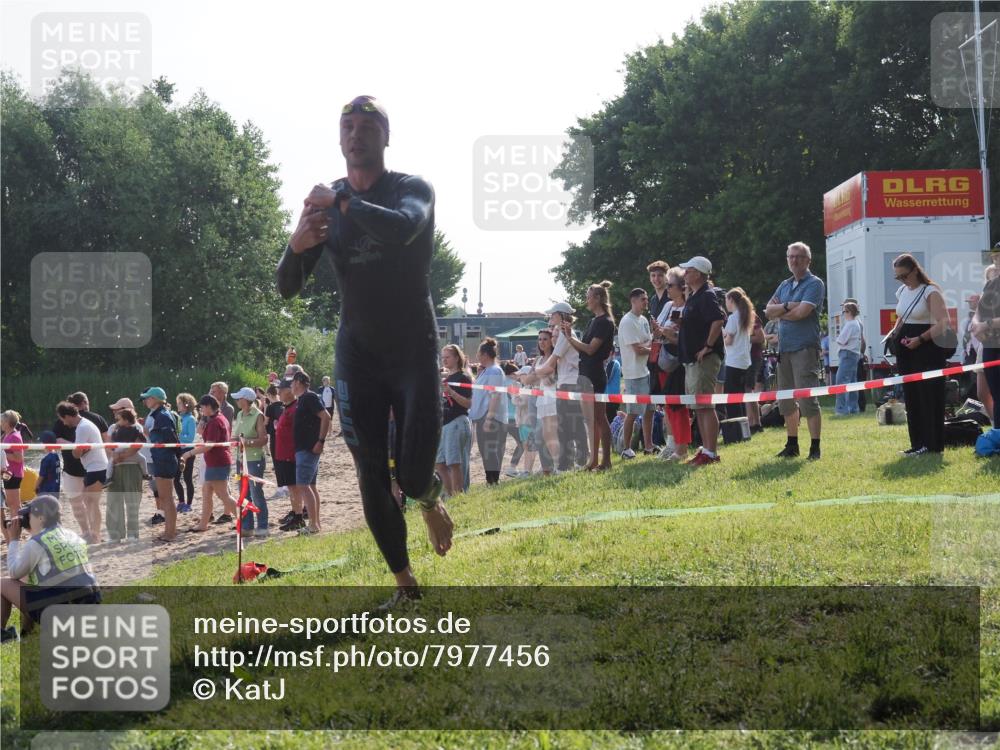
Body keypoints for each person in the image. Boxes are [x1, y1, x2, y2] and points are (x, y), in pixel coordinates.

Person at [276, 95, 452, 602]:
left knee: (412, 472)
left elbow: (402, 229)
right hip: (358, 354)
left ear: (386, 136)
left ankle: (429, 497)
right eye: (347, 126)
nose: (356, 134)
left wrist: (342, 204)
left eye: (367, 126)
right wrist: (295, 246)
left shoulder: (411, 189)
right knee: (370, 471)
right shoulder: (325, 204)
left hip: (413, 348)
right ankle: (406, 585)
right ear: (339, 138)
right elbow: (287, 286)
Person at [1, 495, 101, 642]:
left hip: (61, 615)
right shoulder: (72, 535)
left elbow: (13, 572)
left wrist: (14, 539)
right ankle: (26, 632)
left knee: (3, 584)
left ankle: (1, 634)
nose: (27, 520)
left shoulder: (38, 542)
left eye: (29, 516)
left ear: (41, 518)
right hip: (90, 607)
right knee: (28, 580)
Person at [883, 253, 952, 454]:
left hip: (928, 349)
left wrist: (920, 339)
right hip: (907, 349)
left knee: (928, 396)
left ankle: (932, 445)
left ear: (915, 270)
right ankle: (917, 444)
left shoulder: (930, 291)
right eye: (897, 277)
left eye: (904, 276)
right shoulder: (902, 291)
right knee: (912, 397)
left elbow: (944, 322)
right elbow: (902, 315)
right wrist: (895, 331)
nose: (902, 280)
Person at [765, 241, 826, 460]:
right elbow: (768, 311)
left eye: (798, 257)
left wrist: (781, 312)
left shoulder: (815, 283)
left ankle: (815, 448)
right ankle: (792, 445)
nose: (794, 260)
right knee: (786, 400)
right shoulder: (785, 285)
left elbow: (802, 313)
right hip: (784, 349)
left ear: (808, 260)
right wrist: (788, 306)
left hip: (805, 348)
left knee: (807, 399)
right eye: (790, 256)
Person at [560, 282, 616, 471]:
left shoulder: (605, 322)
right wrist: (569, 336)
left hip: (594, 374)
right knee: (591, 420)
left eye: (589, 296)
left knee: (600, 418)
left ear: (598, 298)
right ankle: (594, 460)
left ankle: (606, 461)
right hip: (585, 372)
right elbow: (583, 349)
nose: (587, 300)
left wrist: (570, 338)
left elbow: (591, 350)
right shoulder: (594, 321)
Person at [677, 256, 725, 466]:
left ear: (698, 273)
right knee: (699, 406)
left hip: (704, 359)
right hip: (693, 359)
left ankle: (711, 453)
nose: (685, 274)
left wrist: (707, 346)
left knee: (705, 405)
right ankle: (706, 449)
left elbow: (718, 320)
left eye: (688, 270)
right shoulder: (695, 295)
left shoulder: (706, 295)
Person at [180, 395, 237, 532]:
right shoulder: (218, 419)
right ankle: (203, 524)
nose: (201, 410)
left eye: (202, 407)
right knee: (206, 492)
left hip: (218, 462)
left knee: (223, 495)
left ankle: (244, 520)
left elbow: (208, 446)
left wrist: (188, 454)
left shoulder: (215, 422)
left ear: (208, 406)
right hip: (215, 462)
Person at [55, 402, 109, 544]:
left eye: (63, 419)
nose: (64, 423)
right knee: (90, 502)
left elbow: (77, 453)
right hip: (94, 467)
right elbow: (80, 451)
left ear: (67, 416)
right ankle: (94, 534)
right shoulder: (85, 424)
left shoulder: (82, 428)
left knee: (92, 503)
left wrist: (75, 451)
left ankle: (95, 536)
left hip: (96, 468)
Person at [656, 267, 693, 461]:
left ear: (681, 287)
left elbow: (686, 339)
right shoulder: (668, 306)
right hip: (664, 360)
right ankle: (672, 444)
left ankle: (682, 448)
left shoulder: (689, 308)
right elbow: (660, 330)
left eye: (670, 285)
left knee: (679, 406)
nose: (667, 288)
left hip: (679, 362)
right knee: (668, 406)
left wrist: (669, 334)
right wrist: (659, 331)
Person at [548, 303, 589, 470]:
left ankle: (574, 462)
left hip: (570, 384)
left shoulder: (565, 334)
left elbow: (552, 362)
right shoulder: (565, 333)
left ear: (560, 315)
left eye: (552, 315)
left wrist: (533, 374)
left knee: (571, 425)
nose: (550, 318)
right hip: (566, 383)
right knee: (569, 425)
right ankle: (572, 461)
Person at [137, 387, 180, 542]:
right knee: (165, 497)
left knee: (167, 498)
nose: (145, 401)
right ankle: (169, 531)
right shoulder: (160, 414)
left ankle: (170, 533)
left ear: (154, 399)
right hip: (162, 458)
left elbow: (170, 439)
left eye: (147, 398)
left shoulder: (162, 415)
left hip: (164, 459)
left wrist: (179, 456)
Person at [517, 328, 562, 475]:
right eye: (540, 339)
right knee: (540, 435)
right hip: (538, 398)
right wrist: (539, 375)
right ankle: (547, 467)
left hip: (551, 397)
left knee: (550, 433)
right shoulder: (537, 359)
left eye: (545, 339)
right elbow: (528, 380)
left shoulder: (555, 358)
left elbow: (551, 380)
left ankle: (558, 466)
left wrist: (536, 375)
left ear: (551, 341)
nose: (542, 342)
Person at [291, 371, 329, 535]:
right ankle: (316, 523)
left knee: (303, 485)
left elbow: (326, 417)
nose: (291, 386)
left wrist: (321, 441)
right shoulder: (303, 399)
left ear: (298, 382)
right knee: (311, 486)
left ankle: (313, 525)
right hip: (305, 448)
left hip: (308, 448)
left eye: (292, 382)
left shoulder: (309, 397)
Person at [617, 288, 654, 458]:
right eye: (642, 299)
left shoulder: (644, 320)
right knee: (632, 412)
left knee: (649, 411)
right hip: (633, 374)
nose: (646, 302)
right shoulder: (627, 321)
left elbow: (646, 343)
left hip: (646, 371)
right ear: (633, 301)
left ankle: (649, 446)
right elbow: (638, 350)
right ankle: (626, 448)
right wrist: (653, 349)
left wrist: (651, 341)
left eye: (646, 299)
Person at [232, 387, 270, 537]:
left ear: (246, 400)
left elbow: (263, 439)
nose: (237, 400)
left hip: (254, 459)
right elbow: (237, 436)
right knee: (243, 494)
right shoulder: (240, 414)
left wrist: (246, 442)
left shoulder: (258, 415)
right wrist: (234, 440)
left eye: (239, 398)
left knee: (256, 493)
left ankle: (263, 526)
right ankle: (247, 526)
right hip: (240, 459)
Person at [469, 338, 507, 485]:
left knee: (490, 450)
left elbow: (495, 395)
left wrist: (489, 418)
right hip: (481, 416)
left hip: (490, 416)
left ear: (485, 354)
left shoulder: (494, 371)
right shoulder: (486, 371)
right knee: (484, 450)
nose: (477, 356)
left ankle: (493, 481)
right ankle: (489, 480)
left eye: (479, 353)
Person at [436, 344, 473, 497]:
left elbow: (468, 404)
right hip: (445, 424)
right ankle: (450, 495)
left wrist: (451, 392)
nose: (444, 360)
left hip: (457, 422)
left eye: (448, 357)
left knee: (454, 463)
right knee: (439, 463)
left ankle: (457, 496)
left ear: (457, 358)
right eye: (443, 357)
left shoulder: (463, 377)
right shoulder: (448, 378)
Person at [970, 253, 1000, 427]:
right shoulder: (989, 286)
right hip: (989, 345)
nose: (996, 261)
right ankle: (997, 430)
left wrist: (985, 325)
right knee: (993, 393)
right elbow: (978, 312)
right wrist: (976, 326)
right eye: (995, 258)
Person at [106, 408, 144, 542]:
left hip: (132, 466)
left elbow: (138, 446)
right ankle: (115, 534)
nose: (115, 413)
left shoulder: (136, 427)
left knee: (132, 501)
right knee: (113, 500)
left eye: (119, 411)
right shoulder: (113, 427)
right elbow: (108, 445)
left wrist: (122, 456)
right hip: (116, 467)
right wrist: (114, 455)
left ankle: (133, 534)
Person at [273, 379, 305, 531]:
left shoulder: (295, 408)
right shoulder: (287, 408)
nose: (278, 393)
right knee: (291, 487)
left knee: (294, 487)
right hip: (283, 453)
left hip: (290, 454)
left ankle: (299, 517)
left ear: (289, 390)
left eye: (280, 389)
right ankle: (295, 512)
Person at [722, 287, 755, 421]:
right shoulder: (744, 316)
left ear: (731, 300)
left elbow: (729, 341)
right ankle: (743, 424)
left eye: (726, 300)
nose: (725, 304)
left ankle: (735, 424)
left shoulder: (733, 318)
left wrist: (721, 337)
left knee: (731, 396)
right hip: (744, 361)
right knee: (740, 396)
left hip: (733, 361)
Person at [834, 302, 864, 415]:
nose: (843, 314)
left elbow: (841, 340)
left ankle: (841, 409)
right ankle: (853, 408)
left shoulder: (850, 324)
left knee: (841, 381)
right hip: (854, 354)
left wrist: (839, 340)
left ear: (849, 312)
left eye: (844, 311)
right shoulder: (857, 323)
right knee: (852, 382)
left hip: (847, 354)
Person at [174, 393, 198, 513]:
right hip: (178, 450)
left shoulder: (191, 419)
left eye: (180, 403)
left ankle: (189, 504)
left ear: (186, 405)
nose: (177, 405)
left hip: (188, 450)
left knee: (188, 478)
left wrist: (177, 435)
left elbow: (190, 438)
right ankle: (181, 502)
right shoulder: (178, 417)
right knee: (176, 478)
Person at [502, 363, 526, 477]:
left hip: (502, 418)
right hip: (513, 418)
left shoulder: (500, 383)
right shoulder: (516, 384)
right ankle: (512, 467)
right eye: (516, 374)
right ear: (512, 374)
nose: (518, 376)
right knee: (522, 444)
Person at [1, 411, 25, 514]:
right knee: (10, 502)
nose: (0, 424)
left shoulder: (14, 436)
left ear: (7, 423)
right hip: (8, 473)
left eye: (1, 421)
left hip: (13, 474)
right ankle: (15, 521)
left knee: (14, 504)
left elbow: (19, 458)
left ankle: (17, 522)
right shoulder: (7, 435)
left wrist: (3, 454)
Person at [36, 431, 61, 496]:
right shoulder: (56, 456)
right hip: (56, 489)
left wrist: (36, 486)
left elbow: (41, 476)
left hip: (46, 491)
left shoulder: (46, 459)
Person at [604, 349, 622, 427]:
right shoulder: (611, 363)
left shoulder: (613, 363)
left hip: (611, 398)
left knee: (611, 422)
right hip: (609, 398)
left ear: (611, 352)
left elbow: (606, 379)